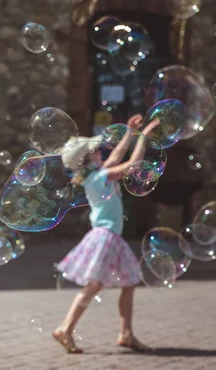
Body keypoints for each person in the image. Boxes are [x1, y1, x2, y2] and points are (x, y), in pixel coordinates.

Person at [52, 115, 161, 354]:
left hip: (109, 237)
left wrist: (130, 134)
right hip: (107, 238)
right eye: (94, 152)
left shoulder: (95, 175)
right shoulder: (100, 178)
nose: (99, 153)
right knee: (93, 287)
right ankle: (65, 328)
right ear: (87, 160)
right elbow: (132, 165)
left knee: (129, 282)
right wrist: (143, 138)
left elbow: (117, 156)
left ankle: (126, 333)